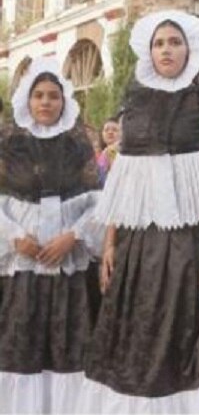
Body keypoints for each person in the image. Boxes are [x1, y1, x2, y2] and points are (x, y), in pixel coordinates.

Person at [83, 10, 199, 411]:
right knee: (137, 331)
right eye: (158, 43)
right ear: (148, 52)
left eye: (174, 42)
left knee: (185, 338)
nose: (166, 50)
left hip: (192, 243)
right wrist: (111, 242)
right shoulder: (137, 102)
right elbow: (126, 178)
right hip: (140, 241)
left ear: (190, 49)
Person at [0, 58, 102, 412]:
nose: (46, 102)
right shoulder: (9, 144)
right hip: (22, 268)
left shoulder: (78, 147)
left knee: (67, 347)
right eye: (39, 95)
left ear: (64, 101)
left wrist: (72, 236)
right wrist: (14, 237)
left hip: (67, 269)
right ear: (27, 101)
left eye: (54, 96)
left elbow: (98, 203)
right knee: (20, 347)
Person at [96, 116, 121, 186]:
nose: (110, 132)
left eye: (115, 130)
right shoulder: (97, 157)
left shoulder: (125, 156)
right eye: (106, 130)